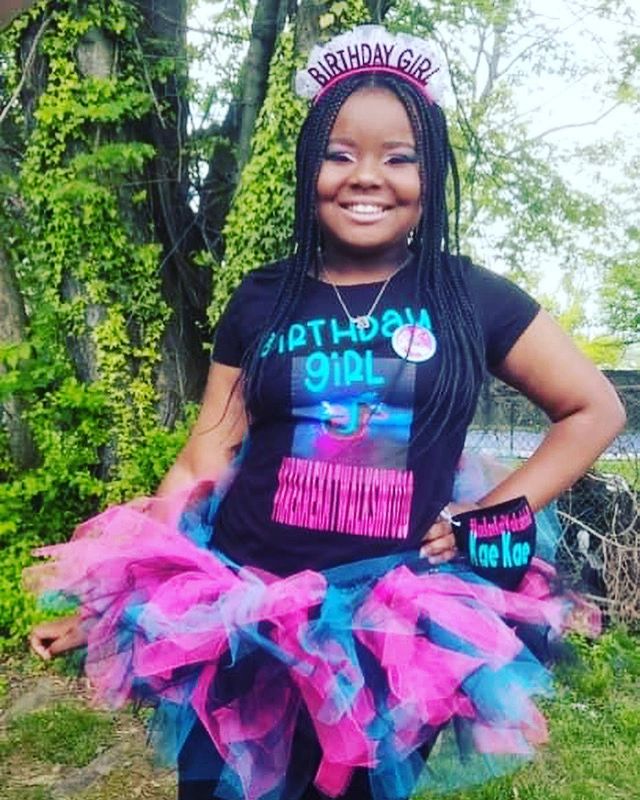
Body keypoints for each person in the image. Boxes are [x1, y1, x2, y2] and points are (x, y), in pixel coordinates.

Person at [29, 24, 625, 800]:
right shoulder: (263, 298)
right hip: (244, 609)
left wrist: (488, 513)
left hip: (392, 626)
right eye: (340, 154)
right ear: (309, 167)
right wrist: (116, 604)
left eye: (398, 157)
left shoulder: (469, 296)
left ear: (430, 174)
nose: (366, 176)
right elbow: (205, 455)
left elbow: (593, 409)